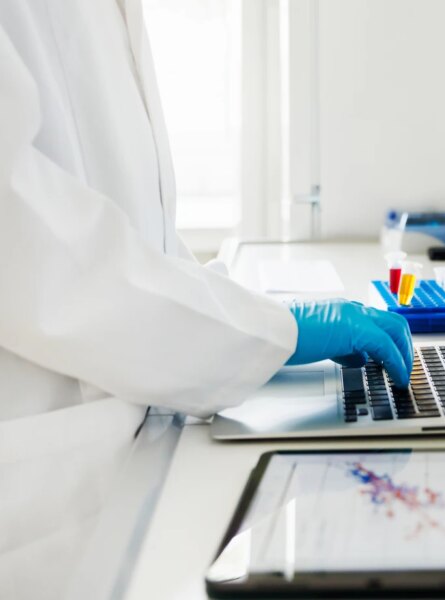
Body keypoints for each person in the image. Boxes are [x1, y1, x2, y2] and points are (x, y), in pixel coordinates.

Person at [0, 1, 412, 596]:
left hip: (131, 437)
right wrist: (264, 332)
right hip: (50, 489)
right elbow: (27, 246)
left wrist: (245, 323)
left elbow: (137, 234)